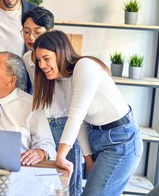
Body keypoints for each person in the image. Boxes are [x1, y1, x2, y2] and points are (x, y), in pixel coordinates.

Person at [33, 30, 143, 196]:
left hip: (121, 141)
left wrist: (60, 156)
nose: (41, 65)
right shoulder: (62, 79)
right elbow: (82, 123)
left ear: (61, 53)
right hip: (97, 138)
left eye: (46, 58)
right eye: (39, 60)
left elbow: (76, 116)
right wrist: (89, 158)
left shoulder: (84, 66)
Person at [22, 7, 82, 196]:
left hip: (65, 124)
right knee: (45, 181)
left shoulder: (64, 60)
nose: (31, 37)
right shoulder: (26, 59)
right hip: (42, 126)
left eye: (37, 32)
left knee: (70, 183)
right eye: (26, 31)